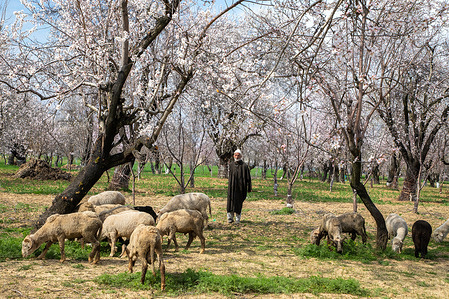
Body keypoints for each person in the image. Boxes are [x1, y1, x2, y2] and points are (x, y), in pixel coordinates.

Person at [227, 149, 252, 224]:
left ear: (240, 156)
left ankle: (238, 219)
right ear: (233, 156)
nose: (237, 157)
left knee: (238, 203)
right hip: (231, 188)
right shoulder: (231, 165)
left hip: (240, 188)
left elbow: (248, 178)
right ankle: (230, 218)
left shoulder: (244, 166)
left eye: (238, 155)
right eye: (235, 155)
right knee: (230, 203)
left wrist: (249, 187)